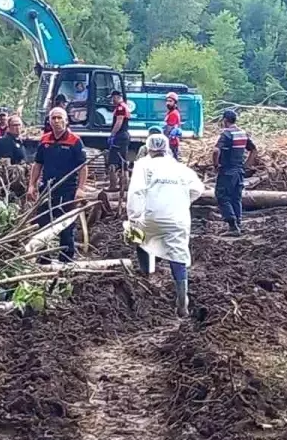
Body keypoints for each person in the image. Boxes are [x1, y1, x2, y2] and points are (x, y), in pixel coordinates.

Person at [127, 133, 204, 317]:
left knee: (138, 238)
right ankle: (182, 299)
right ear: (167, 149)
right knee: (178, 254)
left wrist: (134, 217)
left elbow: (136, 192)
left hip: (152, 216)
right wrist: (183, 201)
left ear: (148, 149)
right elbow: (197, 189)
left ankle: (146, 275)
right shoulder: (180, 168)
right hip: (178, 219)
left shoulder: (143, 165)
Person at [28, 107, 88, 262]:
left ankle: (66, 259)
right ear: (49, 121)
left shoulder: (75, 141)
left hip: (67, 189)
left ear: (66, 120)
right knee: (43, 222)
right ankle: (44, 258)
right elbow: (37, 164)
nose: (56, 121)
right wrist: (32, 185)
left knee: (66, 224)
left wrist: (81, 189)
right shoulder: (45, 139)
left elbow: (83, 167)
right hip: (47, 189)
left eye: (59, 118)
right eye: (53, 118)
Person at [212, 109, 257, 235]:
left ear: (225, 120)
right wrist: (246, 165)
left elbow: (216, 151)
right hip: (239, 170)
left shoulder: (226, 134)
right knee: (236, 197)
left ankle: (232, 226)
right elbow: (253, 150)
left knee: (222, 196)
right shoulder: (242, 133)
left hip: (227, 170)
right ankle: (238, 223)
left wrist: (216, 165)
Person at [106, 90, 131, 198]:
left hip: (119, 136)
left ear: (116, 97)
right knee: (123, 160)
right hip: (124, 135)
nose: (112, 100)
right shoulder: (124, 106)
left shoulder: (120, 108)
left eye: (113, 98)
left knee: (112, 160)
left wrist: (112, 134)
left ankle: (113, 185)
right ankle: (124, 184)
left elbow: (119, 121)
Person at [163, 92, 182, 159]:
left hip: (171, 143)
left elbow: (169, 129)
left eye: (170, 101)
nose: (168, 103)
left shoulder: (173, 113)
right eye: (167, 101)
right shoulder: (170, 112)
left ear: (175, 102)